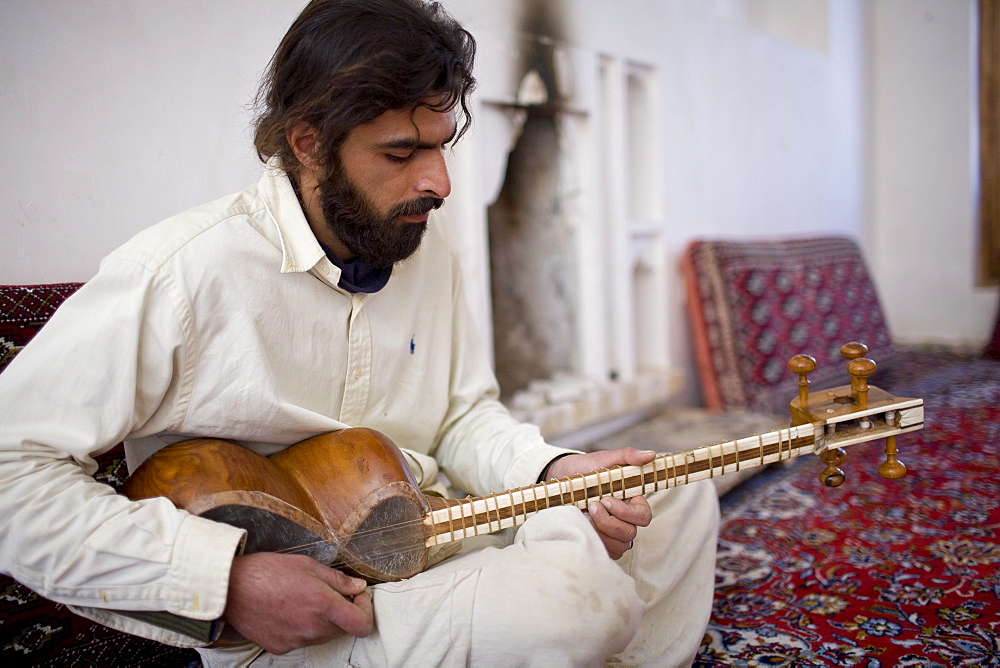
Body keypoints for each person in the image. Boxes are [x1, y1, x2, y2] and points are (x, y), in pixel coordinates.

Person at [0, 0, 719, 665]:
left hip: (435, 541)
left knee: (674, 489)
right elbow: (10, 473)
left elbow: (463, 417)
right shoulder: (181, 274)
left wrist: (551, 473)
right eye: (401, 154)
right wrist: (223, 584)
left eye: (442, 146)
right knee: (570, 601)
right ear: (308, 142)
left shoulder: (424, 249)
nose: (439, 182)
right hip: (315, 618)